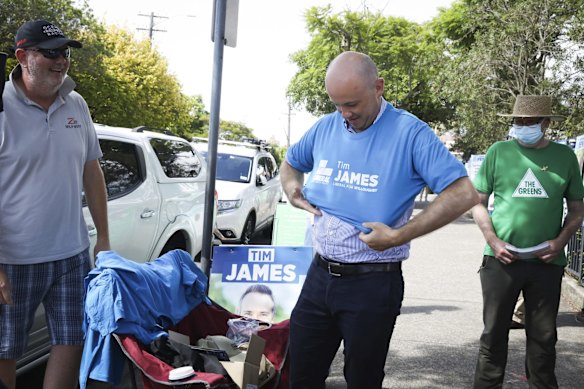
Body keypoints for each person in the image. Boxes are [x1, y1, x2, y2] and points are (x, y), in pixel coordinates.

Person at [280, 51, 479, 389]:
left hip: (371, 283)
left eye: (352, 103)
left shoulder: (410, 132)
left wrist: (399, 235)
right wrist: (292, 189)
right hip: (319, 276)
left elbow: (462, 194)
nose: (345, 113)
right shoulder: (327, 126)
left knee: (362, 379)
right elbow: (290, 164)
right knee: (300, 374)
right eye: (338, 104)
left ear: (378, 87)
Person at [0, 20, 110, 389]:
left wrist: (103, 240)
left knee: (71, 340)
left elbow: (91, 171)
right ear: (21, 57)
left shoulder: (76, 103)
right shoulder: (1, 107)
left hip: (71, 255)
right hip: (11, 260)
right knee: (5, 352)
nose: (61, 61)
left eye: (64, 53)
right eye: (50, 53)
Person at [471, 95, 584, 388]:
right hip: (500, 261)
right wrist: (493, 240)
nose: (522, 126)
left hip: (547, 263)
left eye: (530, 122)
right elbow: (478, 203)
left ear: (546, 124)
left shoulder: (565, 157)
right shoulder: (498, 152)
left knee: (544, 340)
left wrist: (560, 242)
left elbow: (577, 209)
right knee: (493, 336)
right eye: (518, 121)